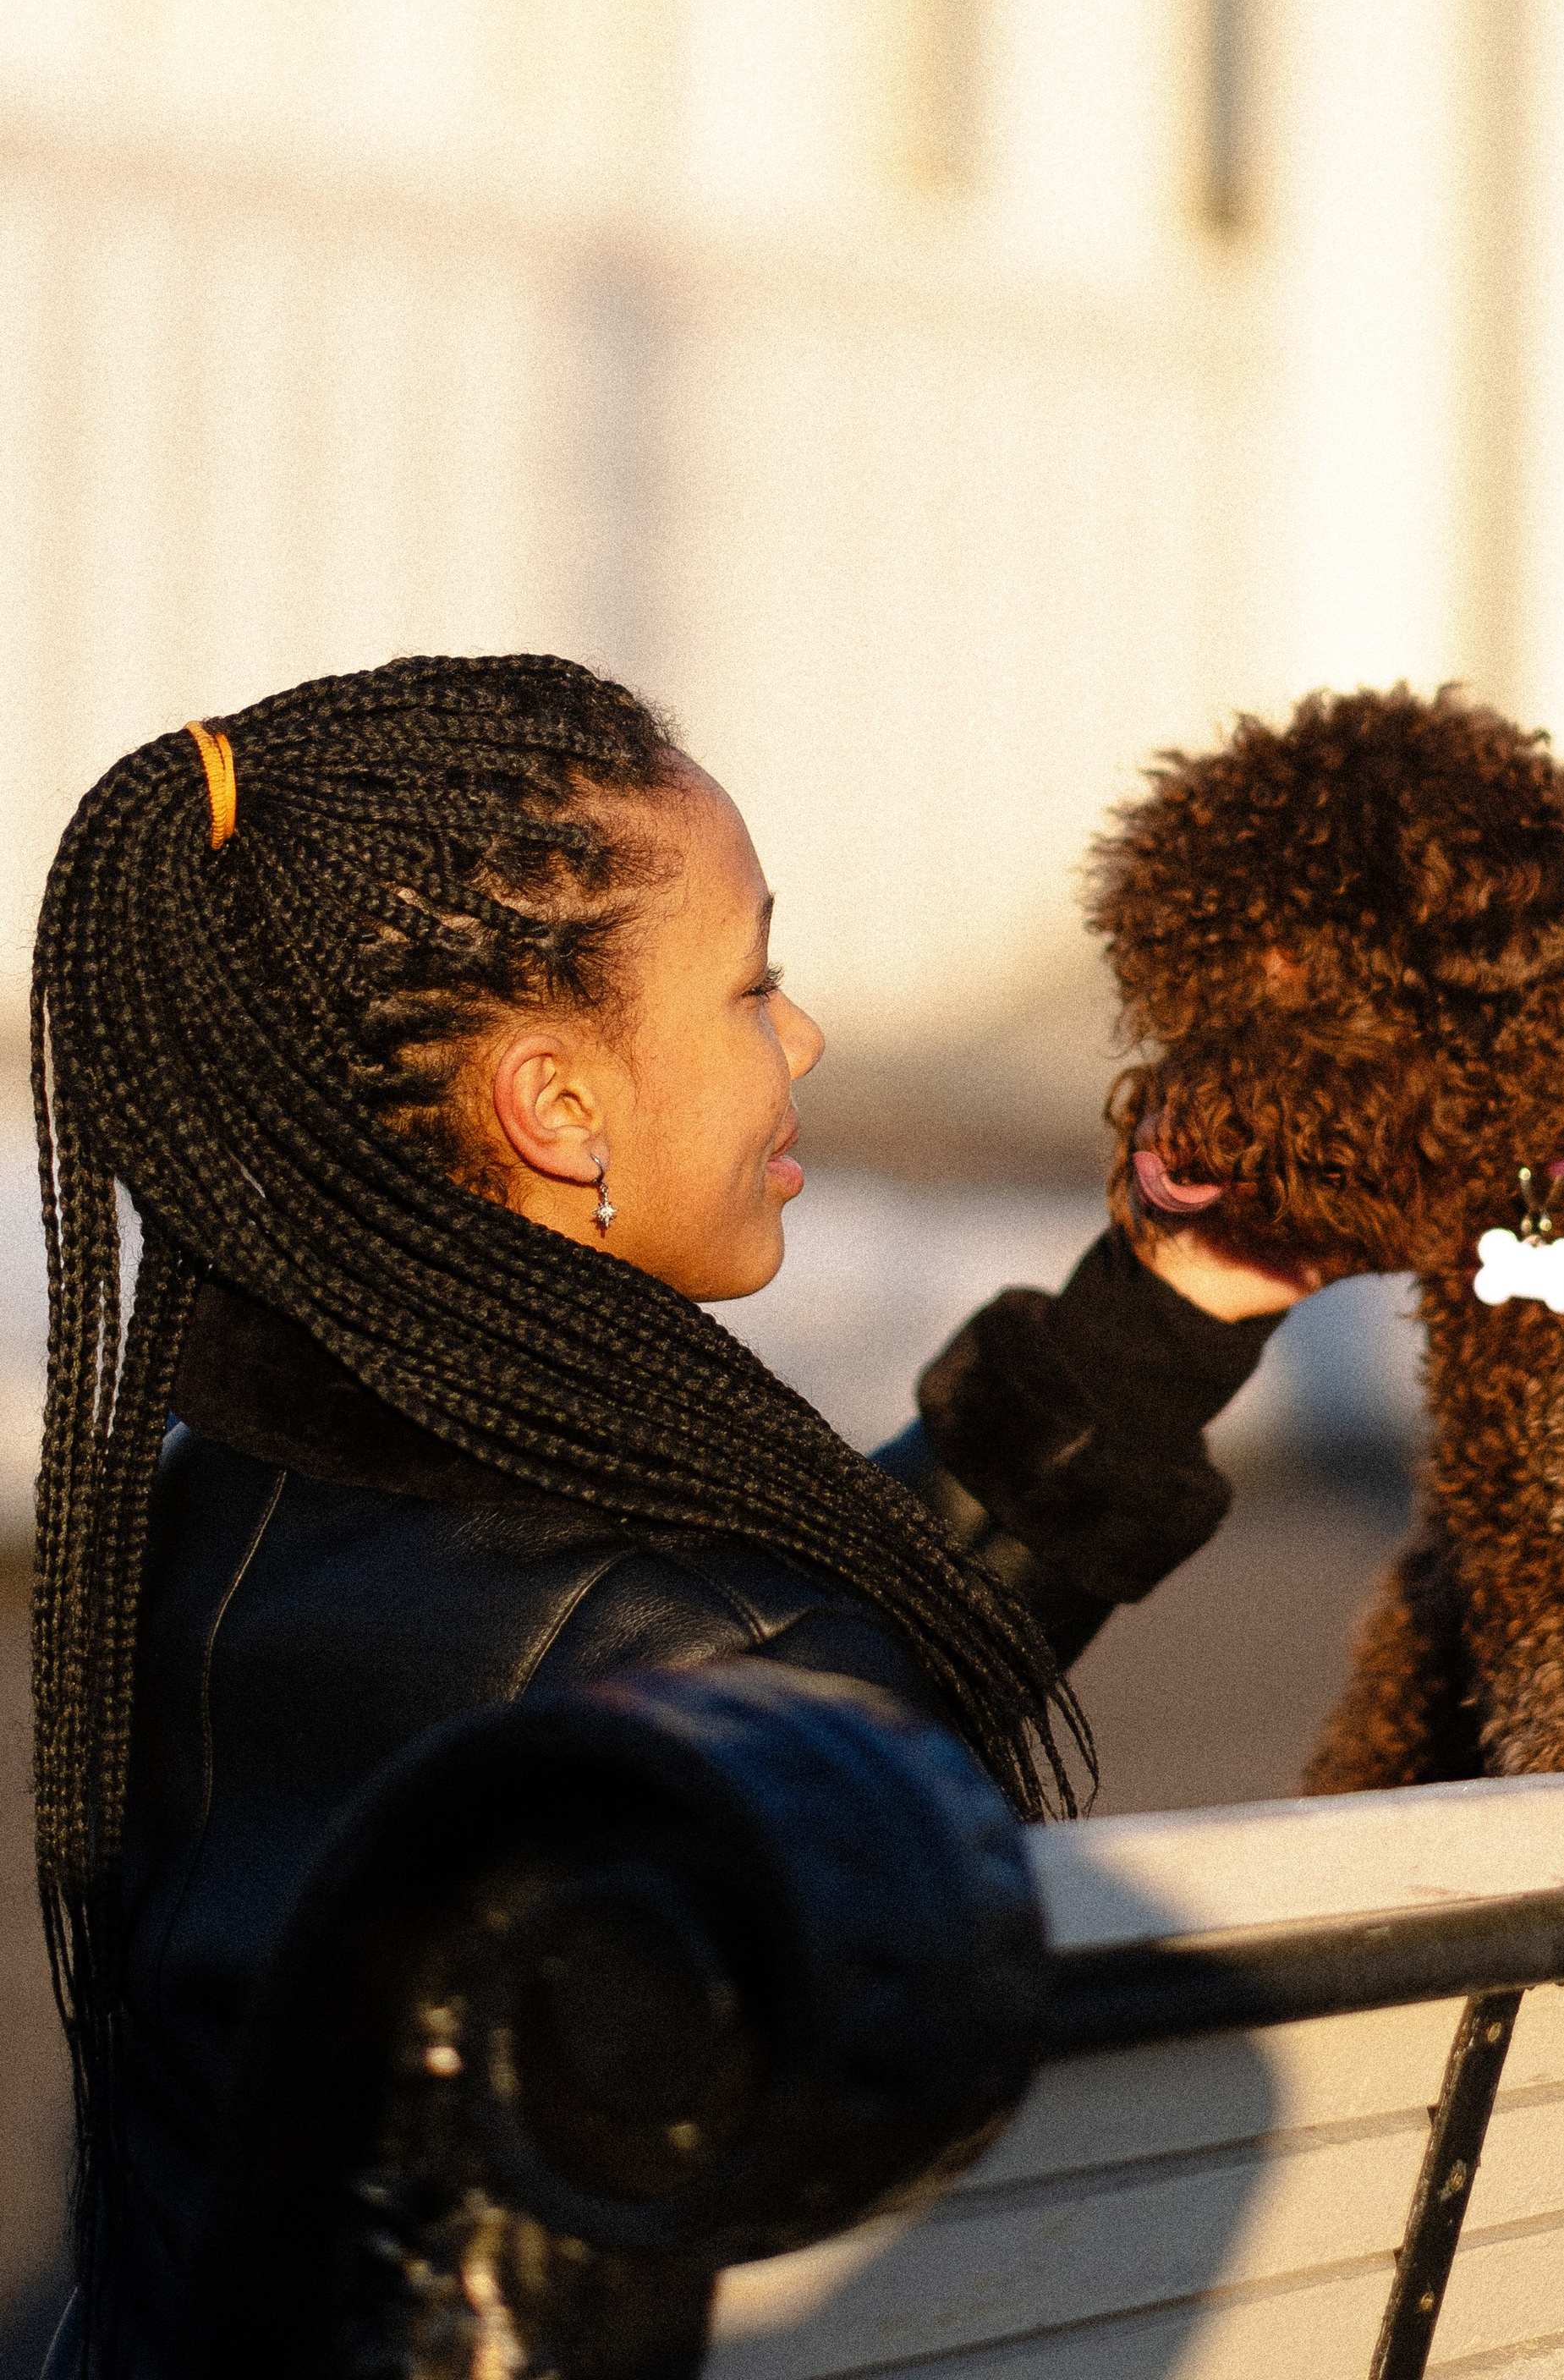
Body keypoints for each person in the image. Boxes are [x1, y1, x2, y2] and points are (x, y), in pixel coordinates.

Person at [30, 655, 1329, 2377]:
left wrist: (1168, 1310)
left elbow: (802, 1644)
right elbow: (784, 1665)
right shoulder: (709, 1636)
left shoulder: (230, 1484)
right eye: (752, 985)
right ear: (560, 1106)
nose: (803, 1035)